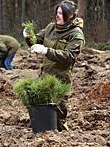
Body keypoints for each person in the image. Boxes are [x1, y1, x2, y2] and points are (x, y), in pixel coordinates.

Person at [23, 0, 85, 131]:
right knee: (41, 106)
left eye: (62, 13)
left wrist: (46, 51)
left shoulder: (76, 34)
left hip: (61, 78)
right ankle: (43, 133)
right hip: (45, 75)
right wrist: (28, 36)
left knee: (58, 111)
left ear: (71, 15)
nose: (58, 15)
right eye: (57, 12)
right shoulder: (51, 27)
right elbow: (37, 40)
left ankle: (61, 136)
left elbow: (70, 57)